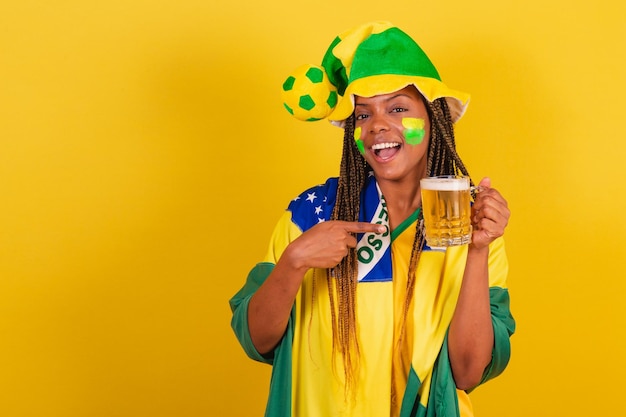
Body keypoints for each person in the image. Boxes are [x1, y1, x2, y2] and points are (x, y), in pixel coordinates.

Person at [229, 21, 515, 417]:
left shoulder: (469, 224)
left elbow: (467, 372)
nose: (377, 125)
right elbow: (256, 340)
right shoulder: (310, 213)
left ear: (434, 120)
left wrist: (478, 250)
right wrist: (294, 262)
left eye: (398, 108)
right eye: (363, 115)